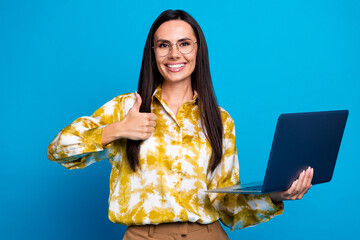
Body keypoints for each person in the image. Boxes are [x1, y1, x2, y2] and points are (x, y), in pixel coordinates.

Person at [47, 9, 313, 240]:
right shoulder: (127, 108)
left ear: (198, 49)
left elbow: (228, 207)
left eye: (184, 43)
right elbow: (58, 150)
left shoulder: (220, 120)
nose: (174, 54)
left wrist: (277, 196)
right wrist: (118, 130)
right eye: (164, 45)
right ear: (153, 54)